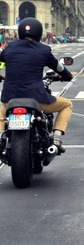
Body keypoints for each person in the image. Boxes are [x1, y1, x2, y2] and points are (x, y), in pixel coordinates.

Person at [0, 18, 74, 153]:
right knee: (67, 104)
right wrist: (67, 76)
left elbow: (1, 61)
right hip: (37, 100)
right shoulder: (44, 50)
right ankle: (56, 139)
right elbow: (59, 68)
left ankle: (0, 137)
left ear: (20, 32)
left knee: (1, 111)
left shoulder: (9, 48)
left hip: (10, 99)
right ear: (39, 33)